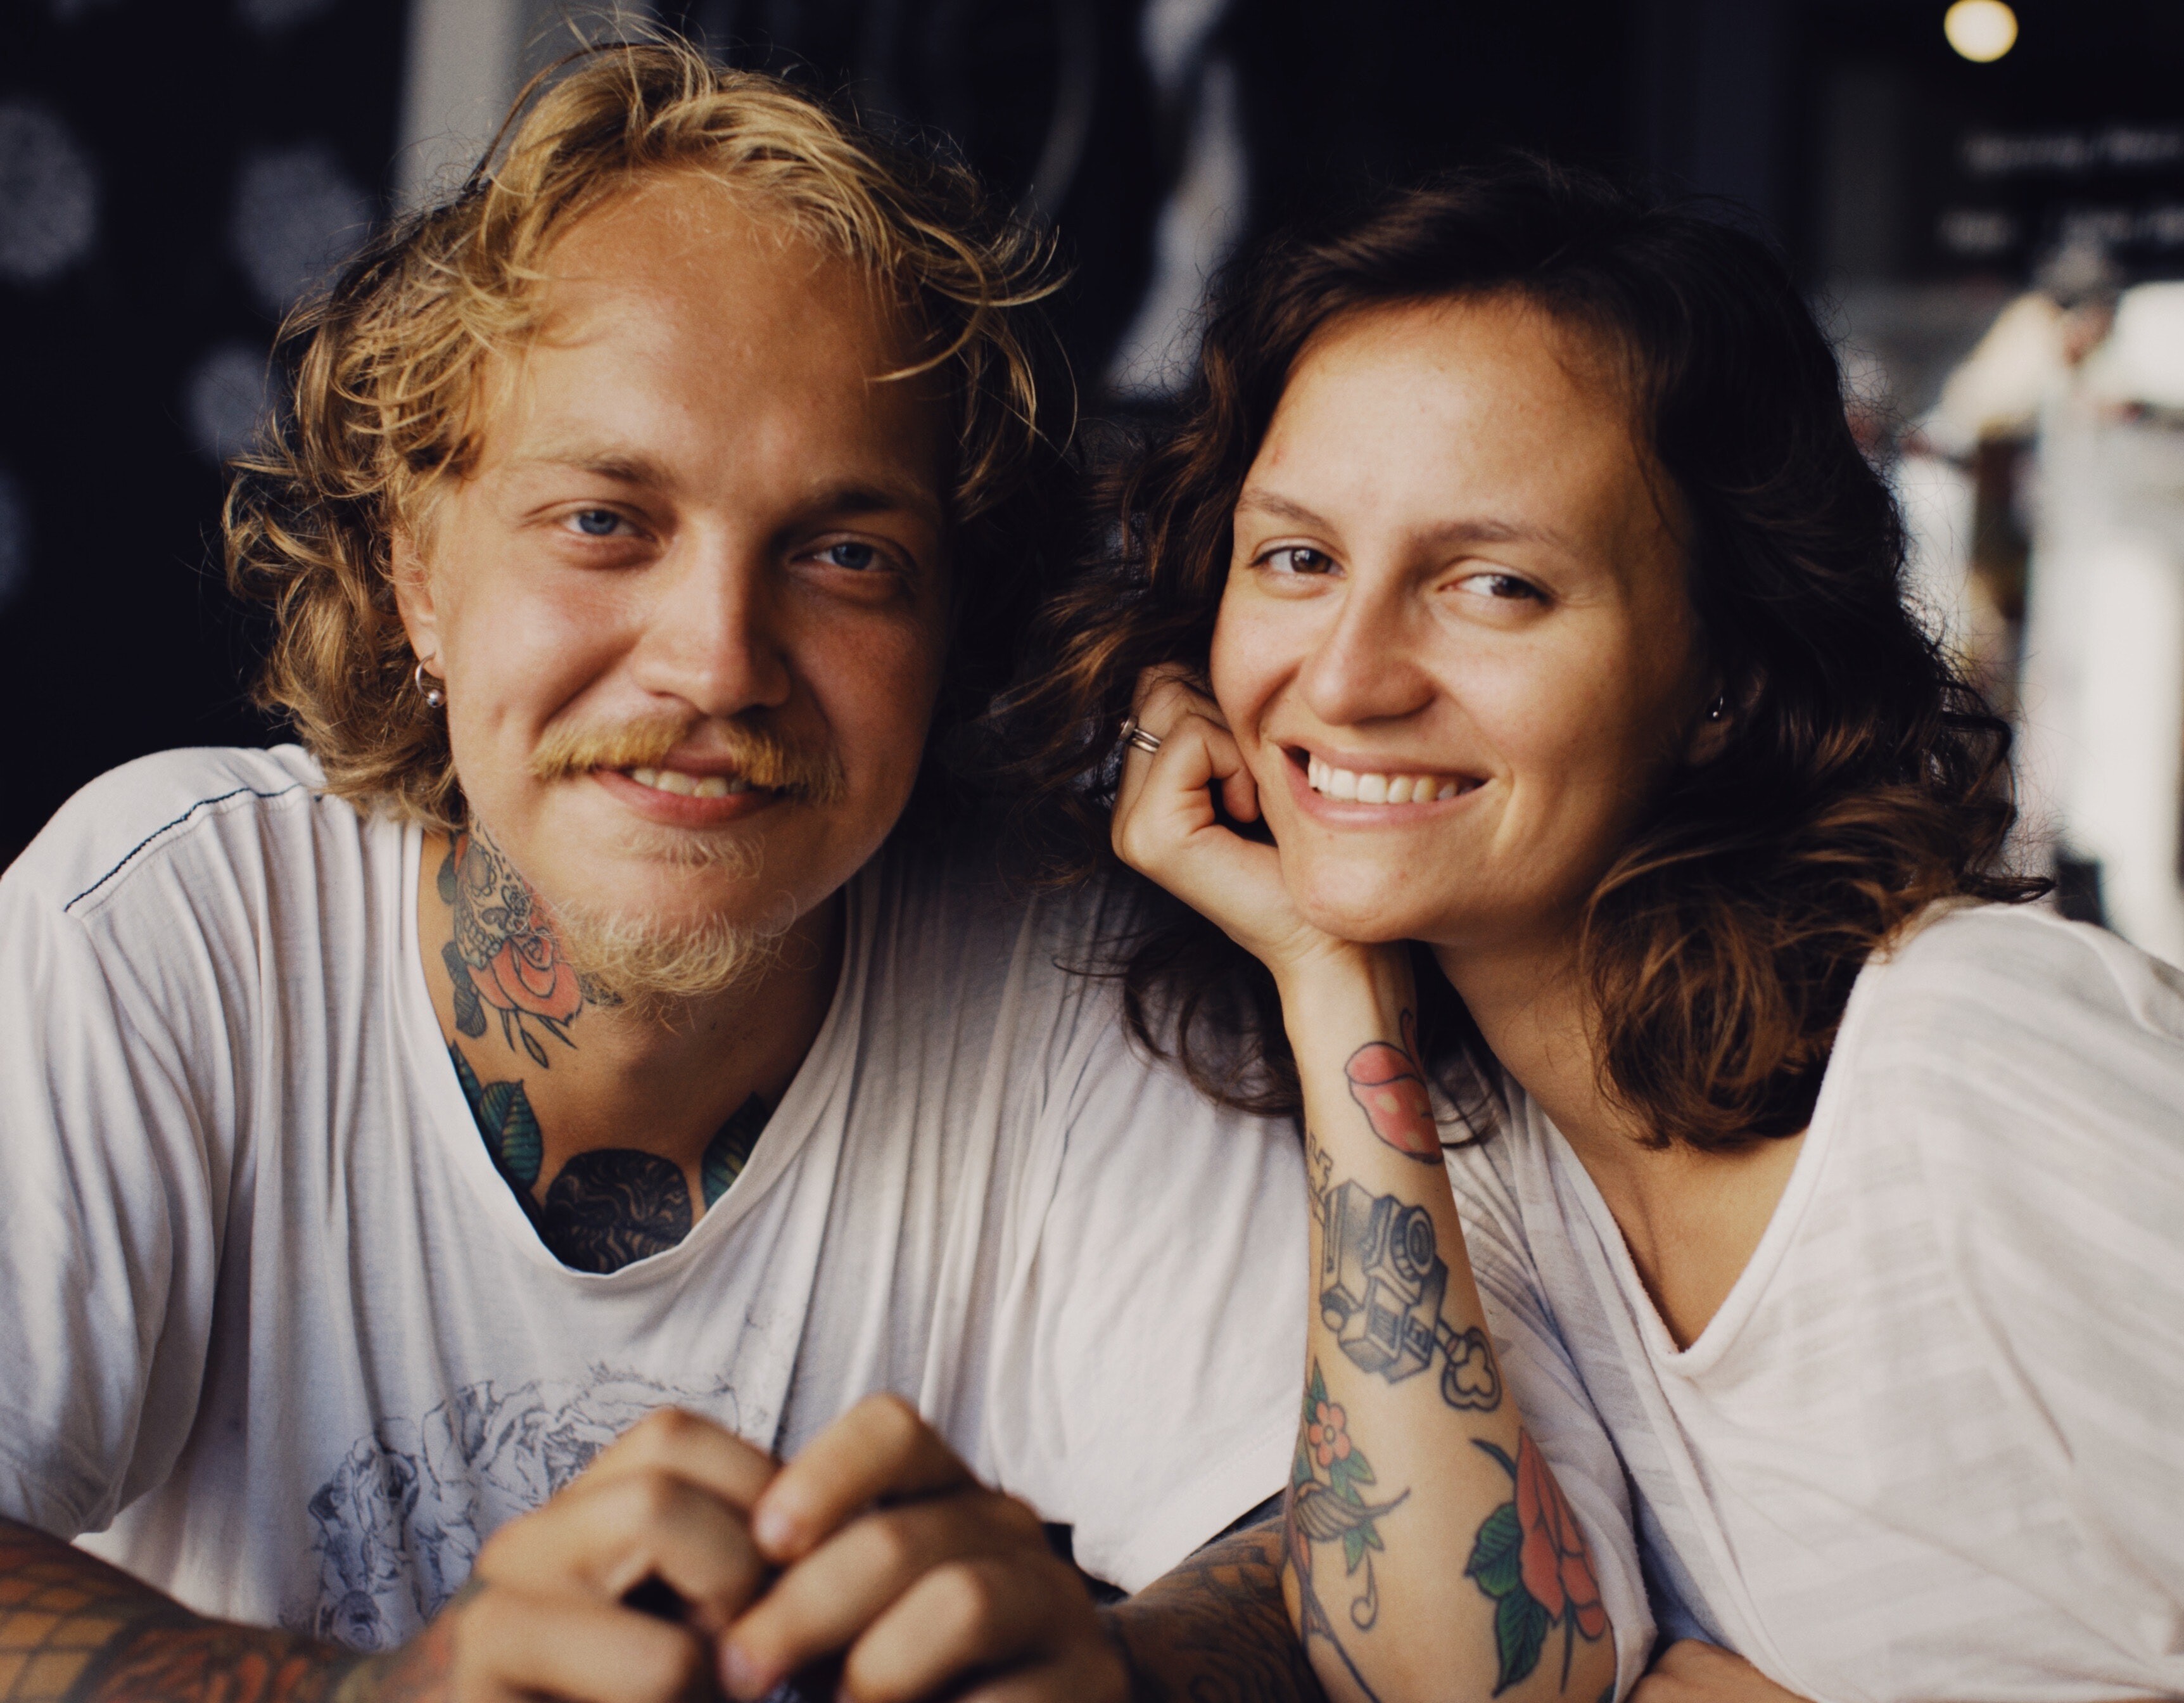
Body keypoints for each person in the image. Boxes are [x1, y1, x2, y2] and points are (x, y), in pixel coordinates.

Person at [1008, 159, 2184, 1703]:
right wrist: (1329, 981)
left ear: (1722, 677)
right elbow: (1467, 1686)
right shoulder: (1491, 1141)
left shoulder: (1977, 1070)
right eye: (1298, 558)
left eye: (1495, 584)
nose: (1348, 678)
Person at [0, 42, 1327, 1703]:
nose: (716, 663)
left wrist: (1125, 1674)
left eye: (845, 553)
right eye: (604, 522)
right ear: (418, 571)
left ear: (950, 623)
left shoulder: (1062, 984)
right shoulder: (169, 929)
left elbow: (1308, 1559)